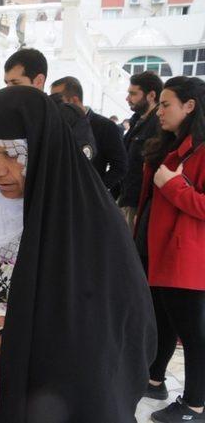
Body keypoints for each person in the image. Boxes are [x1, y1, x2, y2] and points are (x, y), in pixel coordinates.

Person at [0, 86, 156, 423]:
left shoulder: (80, 216)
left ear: (41, 149)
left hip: (39, 391)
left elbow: (97, 325)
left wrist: (10, 342)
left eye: (12, 155)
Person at [135, 76, 205, 423]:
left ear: (189, 106)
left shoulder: (202, 150)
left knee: (193, 334)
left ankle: (194, 405)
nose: (159, 111)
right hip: (156, 249)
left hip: (185, 258)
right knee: (161, 320)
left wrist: (175, 185)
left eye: (166, 104)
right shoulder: (170, 144)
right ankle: (154, 379)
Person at [0, 47, 96, 195]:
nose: (8, 90)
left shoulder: (64, 117)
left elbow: (76, 167)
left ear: (38, 81)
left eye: (15, 83)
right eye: (6, 84)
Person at [51, 76, 128, 192]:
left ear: (74, 100)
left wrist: (96, 190)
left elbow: (120, 166)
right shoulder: (56, 126)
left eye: (58, 101)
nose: (54, 106)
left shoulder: (105, 126)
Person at [118, 71, 163, 229]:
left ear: (151, 95)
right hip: (127, 198)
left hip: (138, 204)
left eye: (133, 94)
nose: (127, 98)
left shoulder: (158, 125)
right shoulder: (137, 120)